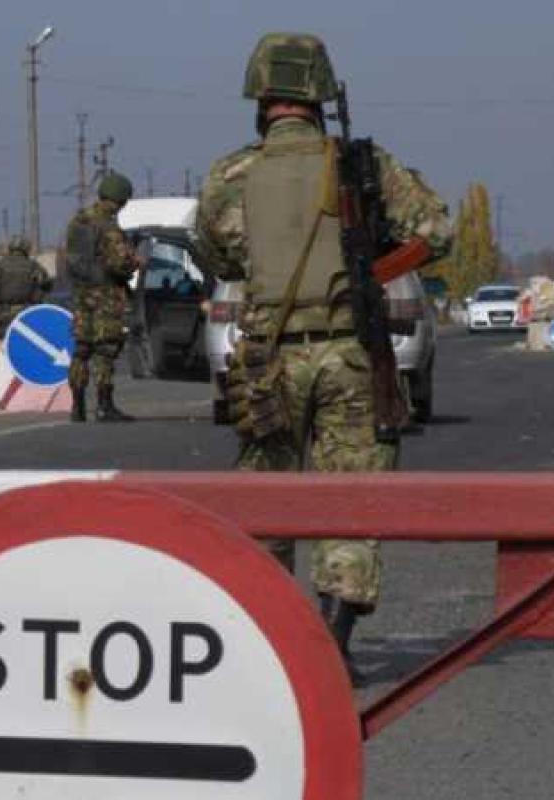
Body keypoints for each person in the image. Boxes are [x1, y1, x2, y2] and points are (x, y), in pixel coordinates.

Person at [194, 32, 452, 684]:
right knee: (352, 498)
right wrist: (372, 270)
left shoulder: (230, 177)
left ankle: (273, 638)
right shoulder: (362, 165)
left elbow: (218, 258)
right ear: (321, 96)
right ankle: (333, 640)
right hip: (351, 357)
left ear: (261, 98)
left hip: (267, 361)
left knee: (268, 497)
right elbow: (437, 232)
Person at [64, 172, 142, 422]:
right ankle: (104, 405)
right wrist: (135, 261)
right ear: (120, 199)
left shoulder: (78, 221)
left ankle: (77, 407)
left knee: (81, 350)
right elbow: (119, 264)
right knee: (106, 350)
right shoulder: (108, 226)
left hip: (81, 294)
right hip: (106, 296)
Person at [0, 235, 53, 339]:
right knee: (26, 344)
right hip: (27, 313)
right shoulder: (33, 266)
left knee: (3, 345)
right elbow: (47, 285)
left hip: (3, 312)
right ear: (26, 249)